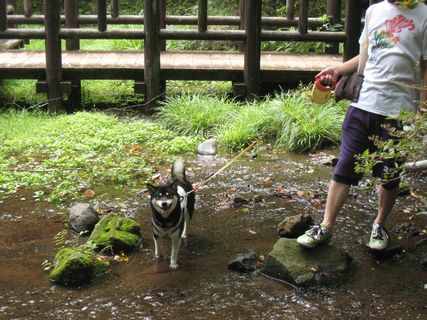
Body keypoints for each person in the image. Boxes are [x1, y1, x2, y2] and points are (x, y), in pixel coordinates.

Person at [297, 0, 427, 250]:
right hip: (363, 104)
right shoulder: (374, 10)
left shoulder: (423, 14)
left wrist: (422, 110)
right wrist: (338, 68)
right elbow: (366, 57)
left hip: (399, 111)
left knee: (389, 172)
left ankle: (379, 224)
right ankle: (326, 225)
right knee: (345, 165)